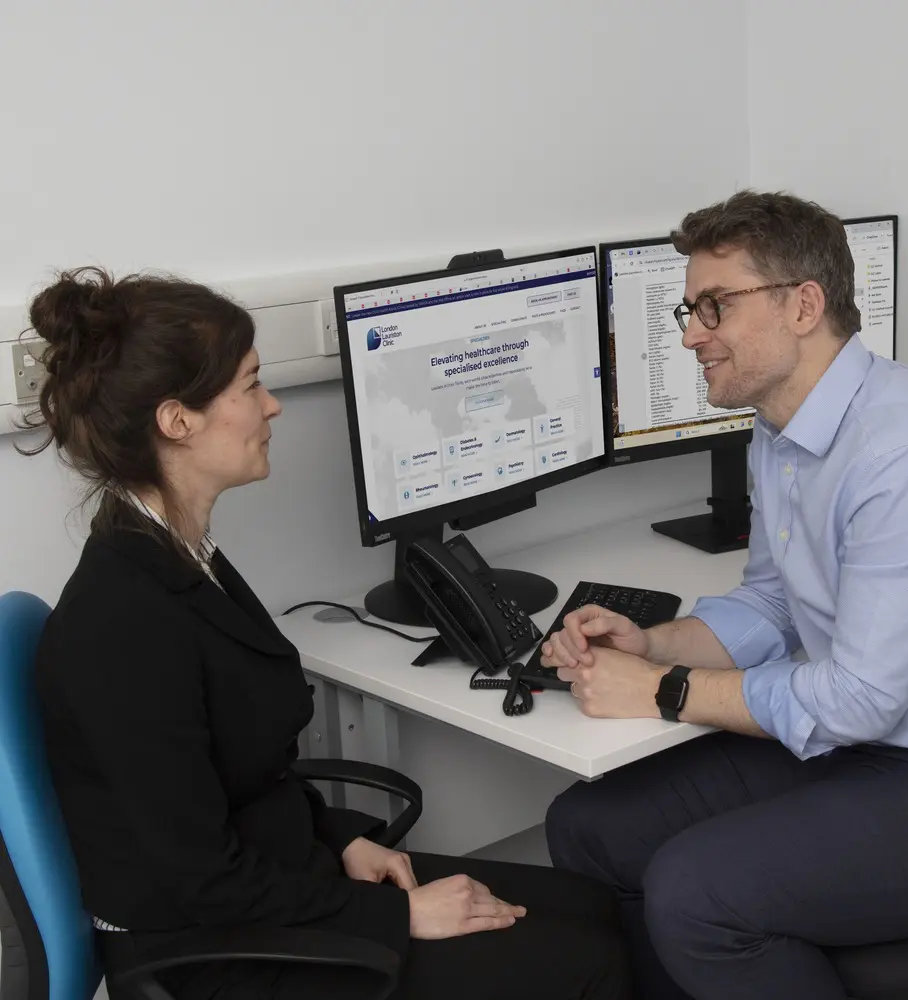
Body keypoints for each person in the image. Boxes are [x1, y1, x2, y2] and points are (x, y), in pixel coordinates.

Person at [27, 266, 630, 1000]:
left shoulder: (178, 555)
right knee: (590, 964)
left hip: (272, 884)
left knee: (599, 910)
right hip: (214, 949)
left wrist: (341, 836)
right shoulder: (122, 622)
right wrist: (393, 914)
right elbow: (195, 876)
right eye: (250, 386)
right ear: (177, 420)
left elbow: (247, 780)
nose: (272, 406)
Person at [540, 191, 908, 1000]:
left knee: (697, 894)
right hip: (868, 743)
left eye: (716, 306)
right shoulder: (783, 427)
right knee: (592, 828)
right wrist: (654, 644)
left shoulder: (905, 452)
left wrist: (663, 691)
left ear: (804, 306)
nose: (689, 333)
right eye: (690, 308)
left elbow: (858, 699)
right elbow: (778, 604)